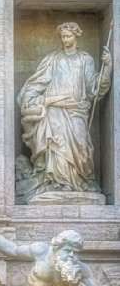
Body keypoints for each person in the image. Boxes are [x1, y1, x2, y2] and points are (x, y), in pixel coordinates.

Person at [19, 21, 111, 194]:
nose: (65, 40)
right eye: (63, 37)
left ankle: (78, 181)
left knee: (80, 145)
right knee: (56, 146)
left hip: (77, 110)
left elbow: (94, 88)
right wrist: (28, 96)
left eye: (68, 36)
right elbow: (39, 81)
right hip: (54, 110)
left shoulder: (85, 59)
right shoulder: (52, 58)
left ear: (76, 36)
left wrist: (107, 67)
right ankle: (56, 183)